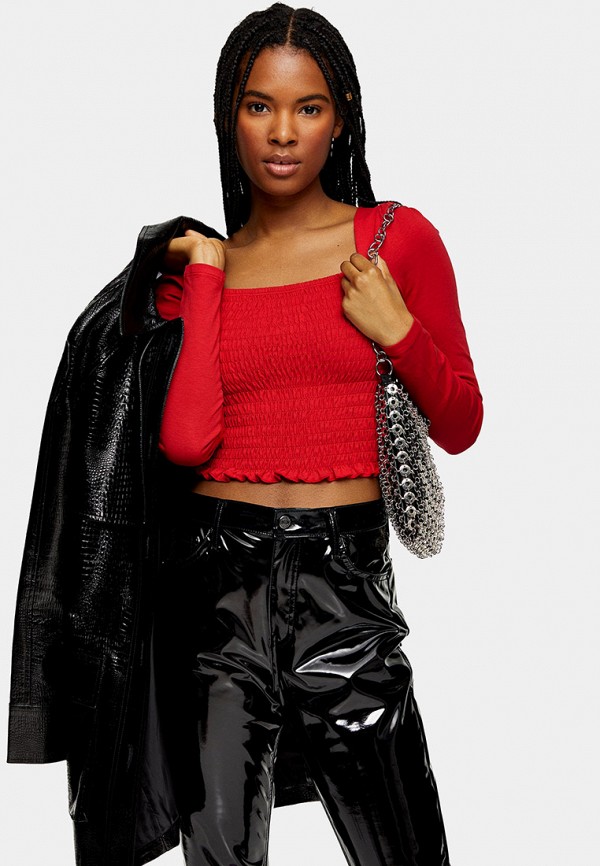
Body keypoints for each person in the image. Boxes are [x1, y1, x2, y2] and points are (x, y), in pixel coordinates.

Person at [150, 4, 483, 865]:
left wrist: (397, 329)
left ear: (341, 118)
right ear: (229, 117)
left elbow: (462, 423)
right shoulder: (200, 270)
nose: (282, 133)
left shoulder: (393, 240)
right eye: (258, 106)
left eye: (308, 107)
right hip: (218, 595)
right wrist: (209, 278)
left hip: (346, 597)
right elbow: (185, 444)